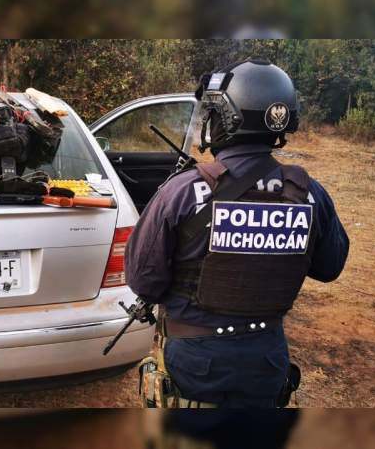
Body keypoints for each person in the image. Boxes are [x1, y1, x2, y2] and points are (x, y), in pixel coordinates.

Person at [125, 57, 349, 408]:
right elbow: (330, 267)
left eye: (213, 113)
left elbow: (143, 281)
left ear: (228, 118)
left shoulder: (183, 192)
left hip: (196, 363)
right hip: (267, 360)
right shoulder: (310, 194)